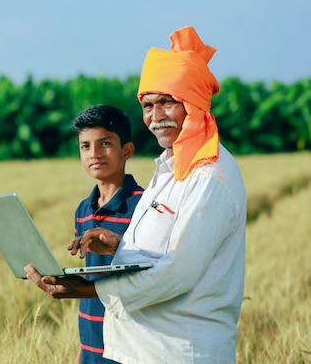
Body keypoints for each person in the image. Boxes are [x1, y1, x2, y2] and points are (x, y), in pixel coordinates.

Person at [25, 26, 247, 364]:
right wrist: (118, 245)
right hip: (147, 351)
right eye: (147, 105)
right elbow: (167, 247)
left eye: (167, 103)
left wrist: (89, 290)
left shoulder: (208, 176)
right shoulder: (174, 167)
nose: (155, 118)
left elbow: (178, 273)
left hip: (182, 352)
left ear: (194, 102)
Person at [37, 104, 144, 363]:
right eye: (85, 146)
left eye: (105, 143)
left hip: (131, 343)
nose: (94, 153)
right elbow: (90, 274)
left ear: (126, 151)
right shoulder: (83, 210)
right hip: (91, 339)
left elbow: (151, 272)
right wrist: (81, 353)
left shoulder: (144, 205)